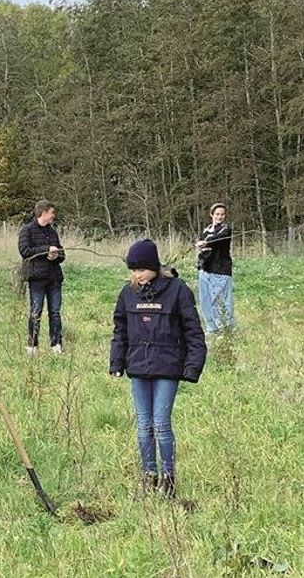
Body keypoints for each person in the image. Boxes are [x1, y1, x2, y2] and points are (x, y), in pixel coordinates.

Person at [110, 239, 206, 499]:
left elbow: (193, 331)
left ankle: (169, 478)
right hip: (138, 367)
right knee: (143, 425)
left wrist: (192, 366)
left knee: (161, 424)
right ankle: (148, 475)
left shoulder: (178, 290)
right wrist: (117, 361)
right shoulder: (127, 293)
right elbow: (120, 331)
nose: (136, 275)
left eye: (140, 269)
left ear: (154, 266)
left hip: (168, 367)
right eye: (132, 270)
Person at [18, 200, 65, 355]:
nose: (54, 216)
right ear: (44, 212)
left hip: (54, 279)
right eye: (52, 212)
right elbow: (24, 251)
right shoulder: (27, 230)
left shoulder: (53, 232)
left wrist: (55, 255)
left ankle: (56, 345)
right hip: (37, 278)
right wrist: (46, 250)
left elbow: (62, 254)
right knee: (36, 312)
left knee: (55, 313)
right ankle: (32, 346)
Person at [195, 203, 235, 335]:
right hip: (205, 269)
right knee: (205, 300)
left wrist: (206, 242)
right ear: (212, 215)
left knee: (220, 301)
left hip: (220, 270)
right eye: (217, 214)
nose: (220, 217)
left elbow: (218, 239)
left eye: (222, 214)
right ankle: (212, 329)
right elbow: (204, 247)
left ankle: (226, 329)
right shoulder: (206, 230)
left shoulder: (226, 229)